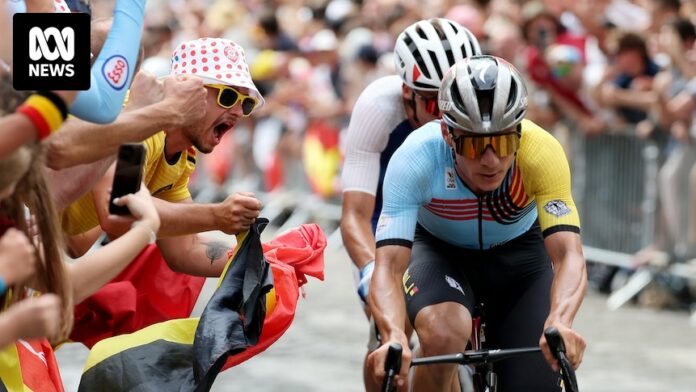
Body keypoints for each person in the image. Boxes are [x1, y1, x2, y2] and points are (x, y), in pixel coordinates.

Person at [367, 55, 587, 391]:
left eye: (503, 142)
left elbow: (569, 254)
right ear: (447, 134)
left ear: (519, 133)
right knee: (442, 333)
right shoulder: (416, 156)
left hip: (521, 260)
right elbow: (388, 267)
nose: (491, 160)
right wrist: (393, 334)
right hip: (440, 253)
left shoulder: (541, 152)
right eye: (474, 144)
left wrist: (561, 320)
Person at [339, 18, 481, 391]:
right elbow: (355, 214)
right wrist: (373, 275)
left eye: (458, 100)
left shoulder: (489, 98)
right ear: (406, 93)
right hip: (389, 221)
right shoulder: (377, 107)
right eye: (435, 102)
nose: (447, 116)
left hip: (452, 224)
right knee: (393, 334)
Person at [61, 37, 264, 276]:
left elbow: (186, 250)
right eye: (227, 96)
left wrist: (270, 263)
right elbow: (118, 213)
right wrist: (216, 216)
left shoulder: (181, 155)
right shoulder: (141, 118)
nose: (239, 112)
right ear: (187, 89)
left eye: (247, 103)